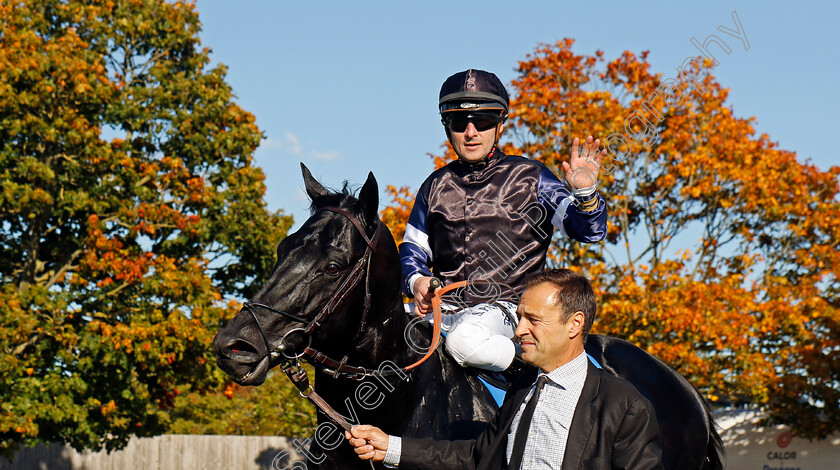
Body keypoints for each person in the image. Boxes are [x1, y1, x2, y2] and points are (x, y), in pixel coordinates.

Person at [346, 269, 664, 470]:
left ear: (574, 324)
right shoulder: (522, 389)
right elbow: (477, 456)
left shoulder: (625, 407)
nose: (519, 329)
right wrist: (390, 447)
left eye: (533, 320)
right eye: (520, 317)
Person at [400, 69, 609, 372]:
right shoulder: (434, 185)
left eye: (482, 121)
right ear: (448, 128)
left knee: (464, 341)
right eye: (460, 123)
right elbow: (412, 251)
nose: (471, 132)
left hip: (508, 309)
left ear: (499, 126)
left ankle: (533, 368)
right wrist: (418, 280)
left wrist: (586, 193)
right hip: (441, 308)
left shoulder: (531, 178)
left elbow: (586, 230)